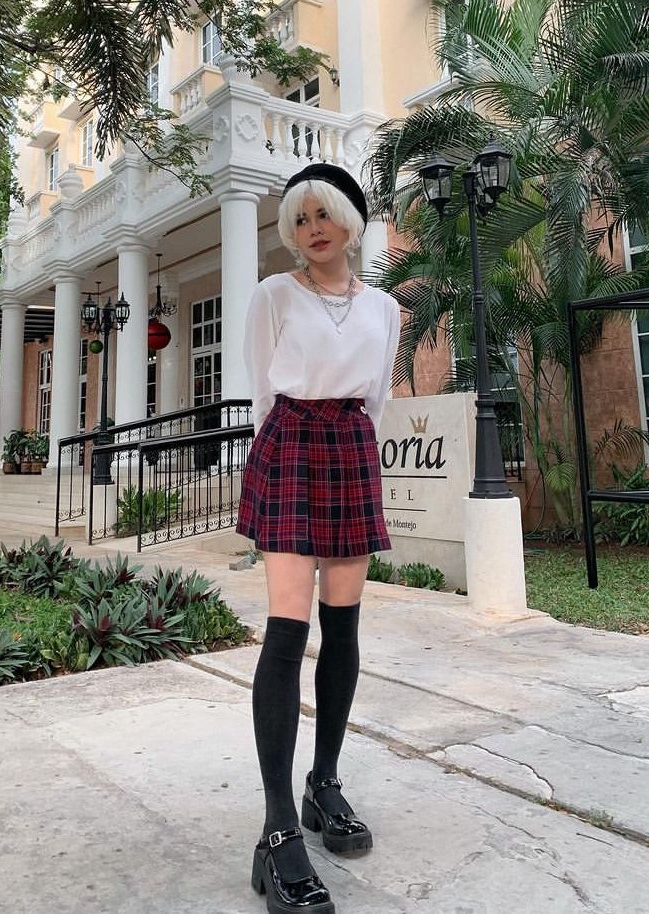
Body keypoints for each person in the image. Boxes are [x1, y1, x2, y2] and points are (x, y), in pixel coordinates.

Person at [237, 163, 400, 914]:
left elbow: (378, 397)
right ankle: (277, 834)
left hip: (349, 446)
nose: (312, 228)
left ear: (350, 221)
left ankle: (322, 784)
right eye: (299, 219)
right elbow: (262, 387)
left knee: (344, 626)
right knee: (286, 628)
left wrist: (350, 448)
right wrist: (284, 448)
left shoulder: (387, 310)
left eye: (323, 213)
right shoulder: (274, 295)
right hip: (292, 444)